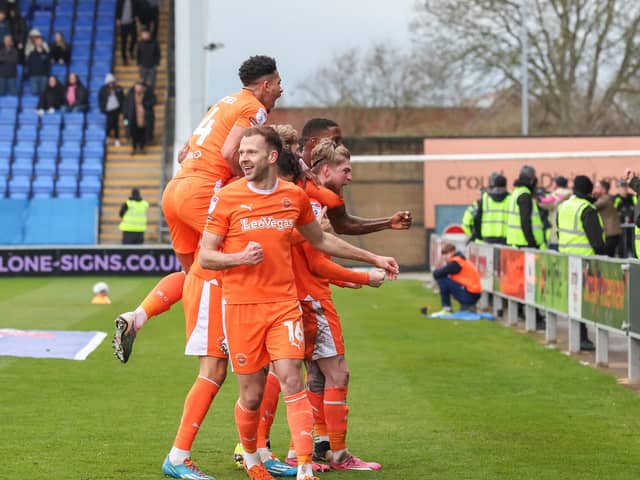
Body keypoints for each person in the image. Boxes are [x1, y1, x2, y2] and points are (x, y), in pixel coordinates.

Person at [112, 56, 283, 480]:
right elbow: (229, 153)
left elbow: (186, 150)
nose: (281, 89)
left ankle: (138, 316)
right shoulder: (252, 108)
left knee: (195, 275)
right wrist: (243, 186)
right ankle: (197, 454)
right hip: (204, 194)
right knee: (230, 271)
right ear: (264, 84)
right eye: (278, 83)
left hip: (178, 189)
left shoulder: (222, 103)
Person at [197, 125, 398, 480]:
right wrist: (240, 258)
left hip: (284, 305)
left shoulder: (294, 197)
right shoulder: (228, 197)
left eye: (251, 152)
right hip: (242, 307)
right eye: (242, 153)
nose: (243, 159)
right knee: (253, 396)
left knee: (292, 379)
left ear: (272, 157)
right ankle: (253, 459)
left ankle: (304, 466)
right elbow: (206, 257)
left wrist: (374, 259)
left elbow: (321, 241)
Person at [557, 175, 604, 351]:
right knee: (587, 302)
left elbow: (561, 233)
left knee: (574, 300)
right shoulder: (587, 209)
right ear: (589, 190)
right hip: (586, 262)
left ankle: (579, 336)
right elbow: (597, 241)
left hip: (567, 259)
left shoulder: (563, 206)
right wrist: (603, 257)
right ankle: (583, 338)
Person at [428, 242, 482, 317]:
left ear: (453, 252)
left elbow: (437, 274)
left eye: (446, 254)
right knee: (445, 279)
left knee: (442, 280)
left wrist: (437, 271)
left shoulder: (456, 263)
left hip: (470, 295)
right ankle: (452, 308)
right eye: (443, 254)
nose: (444, 256)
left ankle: (447, 309)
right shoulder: (460, 260)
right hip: (473, 293)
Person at [506, 165, 545, 249]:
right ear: (532, 180)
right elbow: (525, 222)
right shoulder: (525, 195)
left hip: (518, 243)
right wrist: (532, 243)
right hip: (526, 245)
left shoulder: (517, 192)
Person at [472, 172, 510, 244]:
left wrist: (479, 236)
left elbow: (477, 219)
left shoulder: (485, 198)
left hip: (487, 239)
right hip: (505, 239)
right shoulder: (510, 198)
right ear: (505, 185)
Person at [538, 175, 571, 250]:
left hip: (555, 233)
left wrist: (539, 199)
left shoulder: (555, 194)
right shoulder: (571, 194)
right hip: (567, 233)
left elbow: (545, 204)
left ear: (556, 184)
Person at [123, 81, 156, 153]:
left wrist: (144, 105)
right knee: (134, 134)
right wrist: (125, 119)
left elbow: (153, 102)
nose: (138, 90)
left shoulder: (147, 95)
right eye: (137, 88)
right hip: (133, 118)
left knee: (143, 134)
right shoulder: (130, 96)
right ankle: (134, 148)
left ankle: (142, 147)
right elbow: (126, 108)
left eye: (140, 88)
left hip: (144, 118)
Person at [593, 179, 621, 257]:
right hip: (610, 233)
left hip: (611, 233)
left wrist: (591, 194)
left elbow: (592, 207)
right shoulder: (605, 198)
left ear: (603, 189)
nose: (594, 189)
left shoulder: (606, 199)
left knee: (607, 256)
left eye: (596, 187)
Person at [98, 73, 125, 146]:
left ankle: (116, 139)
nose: (111, 84)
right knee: (109, 124)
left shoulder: (118, 88)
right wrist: (102, 108)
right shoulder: (103, 90)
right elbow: (100, 99)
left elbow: (122, 99)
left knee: (116, 124)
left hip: (116, 109)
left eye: (112, 82)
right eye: (109, 82)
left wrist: (122, 109)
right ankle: (107, 137)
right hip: (108, 110)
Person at [613, 179, 637, 257]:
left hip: (632, 230)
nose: (624, 189)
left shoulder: (632, 198)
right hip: (621, 231)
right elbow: (613, 213)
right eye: (622, 187)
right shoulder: (616, 199)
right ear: (618, 188)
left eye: (625, 186)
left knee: (634, 250)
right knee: (622, 250)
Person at [116, 0, 142, 65]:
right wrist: (117, 19)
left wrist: (136, 16)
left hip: (132, 23)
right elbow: (117, 9)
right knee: (123, 42)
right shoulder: (120, 1)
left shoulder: (134, 1)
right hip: (123, 24)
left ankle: (131, 51)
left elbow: (138, 8)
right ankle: (124, 59)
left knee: (134, 37)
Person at [25, 29, 49, 96]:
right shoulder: (31, 54)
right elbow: (28, 64)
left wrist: (47, 74)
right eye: (37, 41)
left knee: (43, 93)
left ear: (42, 42)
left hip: (43, 76)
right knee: (34, 93)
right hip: (33, 76)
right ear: (35, 43)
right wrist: (30, 74)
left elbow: (48, 65)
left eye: (40, 41)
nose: (38, 42)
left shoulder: (46, 53)